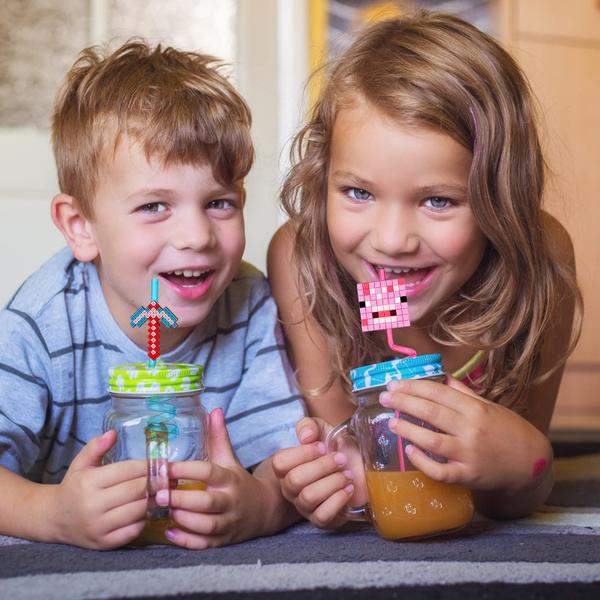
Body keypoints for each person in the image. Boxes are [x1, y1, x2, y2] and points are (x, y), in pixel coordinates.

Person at [268, 10, 582, 528]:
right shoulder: (302, 259)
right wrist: (335, 473)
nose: (391, 241)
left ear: (501, 199)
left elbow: (518, 494)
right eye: (358, 192)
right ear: (322, 176)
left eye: (438, 201)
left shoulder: (542, 255)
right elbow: (353, 463)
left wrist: (524, 462)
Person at [0, 41, 305, 550]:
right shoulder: (42, 321)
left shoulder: (248, 301)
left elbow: (284, 460)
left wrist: (263, 505)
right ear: (80, 227)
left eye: (219, 203)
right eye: (154, 207)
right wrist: (52, 514)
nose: (197, 235)